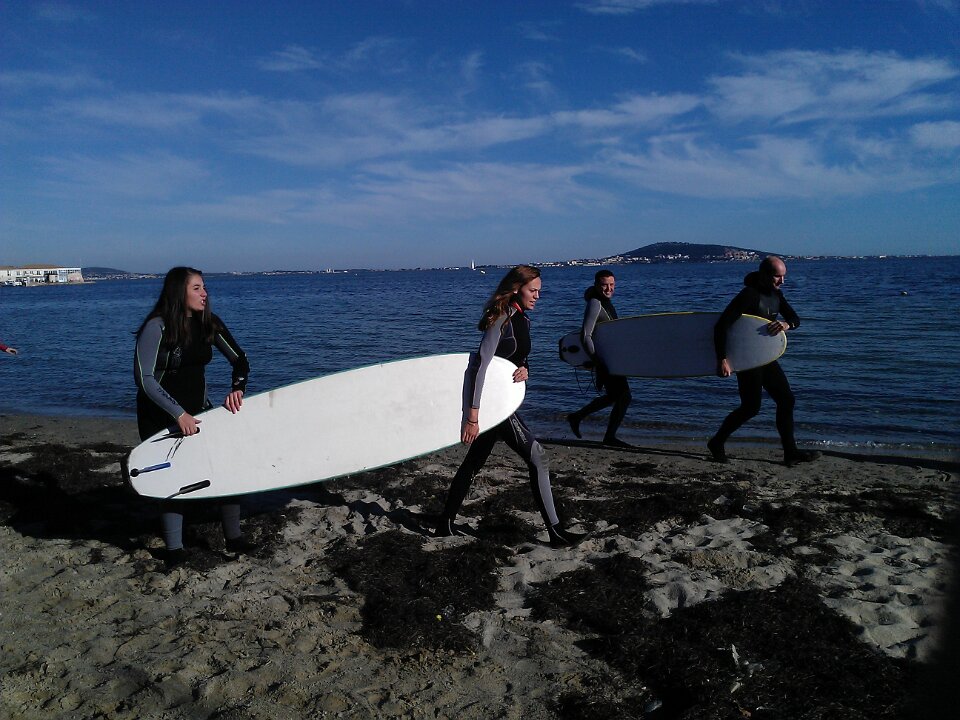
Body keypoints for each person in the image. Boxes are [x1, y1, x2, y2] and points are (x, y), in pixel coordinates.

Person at [436, 265, 585, 547]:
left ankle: (444, 523)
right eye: (533, 290)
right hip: (493, 405)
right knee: (538, 457)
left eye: (539, 291)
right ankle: (555, 532)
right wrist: (472, 416)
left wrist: (525, 369)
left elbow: (515, 358)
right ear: (517, 288)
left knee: (473, 463)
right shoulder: (502, 317)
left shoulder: (523, 319)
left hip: (501, 401)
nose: (538, 296)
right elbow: (480, 365)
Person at [134, 267, 255, 566]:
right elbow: (144, 378)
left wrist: (237, 389)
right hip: (159, 415)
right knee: (172, 479)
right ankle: (175, 549)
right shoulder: (157, 327)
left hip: (199, 412)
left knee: (224, 468)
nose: (205, 294)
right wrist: (178, 414)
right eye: (197, 288)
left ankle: (234, 537)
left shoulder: (209, 324)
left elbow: (240, 360)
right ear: (179, 292)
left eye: (204, 287)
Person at [708, 256, 820, 467]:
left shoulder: (777, 295)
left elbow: (795, 319)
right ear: (764, 275)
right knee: (751, 407)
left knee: (786, 400)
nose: (782, 281)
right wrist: (722, 359)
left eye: (784, 276)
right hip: (748, 359)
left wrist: (786, 325)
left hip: (766, 357)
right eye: (778, 276)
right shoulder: (748, 295)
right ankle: (717, 442)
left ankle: (790, 453)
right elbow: (721, 326)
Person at [566, 269, 632, 447]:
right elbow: (585, 335)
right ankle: (608, 436)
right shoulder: (595, 303)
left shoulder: (605, 301)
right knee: (624, 396)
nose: (609, 288)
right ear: (596, 285)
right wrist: (598, 363)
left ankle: (577, 417)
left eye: (612, 285)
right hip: (604, 360)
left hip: (610, 359)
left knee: (615, 396)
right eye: (604, 285)